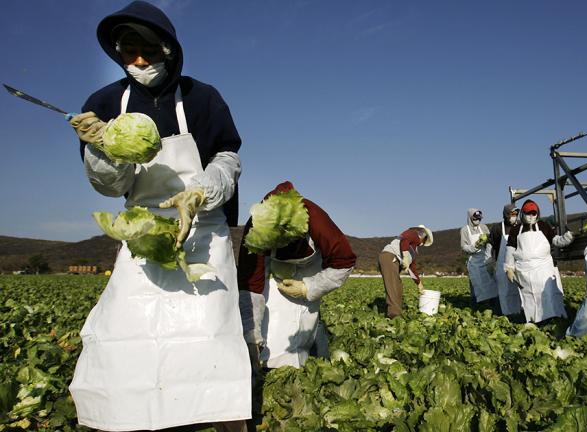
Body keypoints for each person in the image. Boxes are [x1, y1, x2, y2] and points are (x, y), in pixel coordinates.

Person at [66, 2, 250, 431]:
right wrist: (100, 149)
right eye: (129, 51)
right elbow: (111, 186)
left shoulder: (203, 98)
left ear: (168, 48)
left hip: (202, 229)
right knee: (124, 330)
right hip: (144, 233)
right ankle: (121, 418)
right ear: (118, 52)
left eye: (148, 49)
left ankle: (226, 419)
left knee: (209, 333)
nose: (140, 60)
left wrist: (201, 193)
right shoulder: (105, 102)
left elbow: (228, 158)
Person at [237, 181, 357, 369]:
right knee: (272, 316)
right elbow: (251, 284)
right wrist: (251, 336)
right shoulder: (256, 226)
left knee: (302, 320)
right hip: (273, 267)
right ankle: (263, 358)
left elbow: (344, 262)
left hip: (310, 267)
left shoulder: (316, 219)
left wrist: (308, 287)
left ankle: (302, 357)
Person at [504, 200, 574, 323]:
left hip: (544, 268)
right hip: (525, 271)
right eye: (528, 213)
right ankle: (535, 320)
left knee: (549, 293)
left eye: (533, 213)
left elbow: (556, 241)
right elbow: (510, 250)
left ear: (537, 213)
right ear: (523, 214)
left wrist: (567, 239)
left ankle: (554, 317)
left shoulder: (543, 226)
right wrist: (509, 267)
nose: (531, 216)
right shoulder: (516, 230)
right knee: (530, 296)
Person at [379, 225, 434, 318]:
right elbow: (404, 239)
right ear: (423, 237)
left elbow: (412, 269)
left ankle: (396, 311)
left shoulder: (413, 250)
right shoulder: (413, 233)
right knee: (393, 286)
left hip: (394, 261)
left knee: (398, 286)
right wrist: (404, 256)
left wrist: (419, 284)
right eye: (425, 241)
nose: (423, 244)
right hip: (389, 256)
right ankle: (394, 315)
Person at [488, 204, 523, 316]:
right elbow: (490, 245)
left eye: (516, 214)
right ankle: (505, 314)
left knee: (519, 291)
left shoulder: (521, 226)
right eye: (512, 214)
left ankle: (519, 313)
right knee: (504, 291)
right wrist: (489, 261)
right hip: (501, 264)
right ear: (506, 214)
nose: (514, 216)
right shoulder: (497, 228)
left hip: (517, 264)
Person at [459, 208, 497, 307]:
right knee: (476, 285)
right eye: (475, 218)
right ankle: (475, 306)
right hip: (474, 261)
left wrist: (486, 242)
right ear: (470, 218)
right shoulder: (464, 230)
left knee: (491, 284)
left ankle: (492, 306)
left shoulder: (483, 227)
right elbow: (464, 247)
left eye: (479, 219)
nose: (477, 220)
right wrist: (475, 246)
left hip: (485, 259)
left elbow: (490, 240)